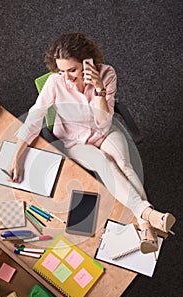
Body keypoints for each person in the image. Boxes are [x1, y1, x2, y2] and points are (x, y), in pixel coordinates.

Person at [10, 32, 175, 254]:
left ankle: (145, 222)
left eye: (72, 70)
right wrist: (16, 157)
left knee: (124, 164)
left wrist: (99, 89)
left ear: (89, 63)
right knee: (104, 163)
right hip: (74, 139)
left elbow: (103, 121)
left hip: (103, 131)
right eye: (61, 71)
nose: (67, 78)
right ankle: (148, 217)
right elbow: (33, 119)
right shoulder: (54, 83)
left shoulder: (107, 74)